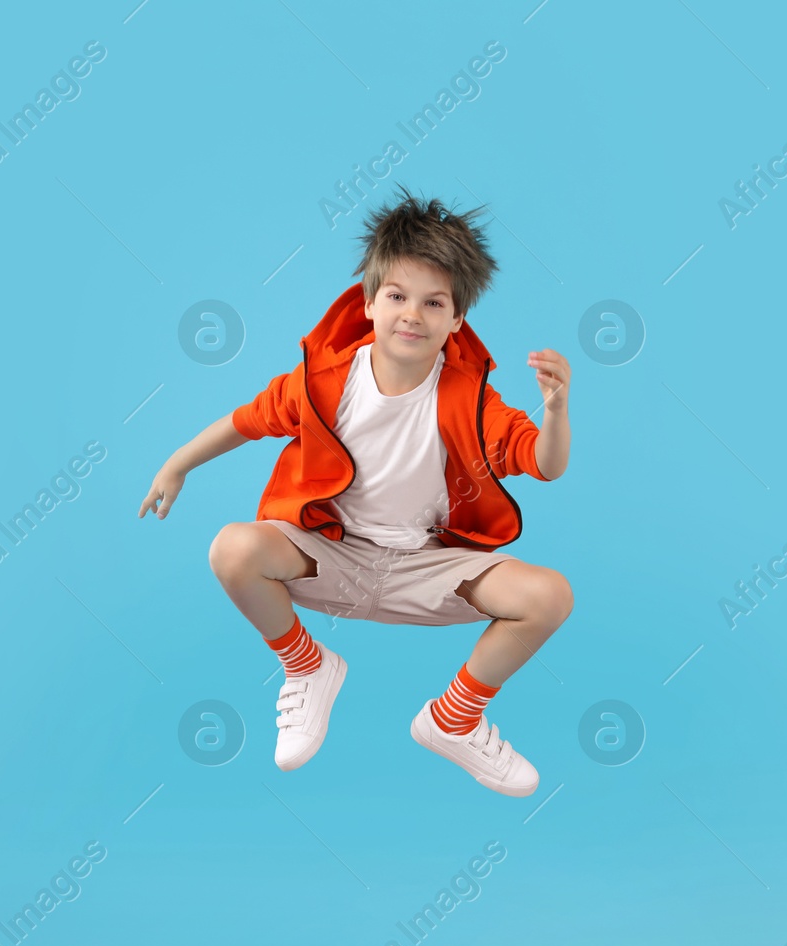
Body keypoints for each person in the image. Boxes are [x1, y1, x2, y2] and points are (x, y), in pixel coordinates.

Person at [139, 185, 572, 797]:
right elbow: (247, 420)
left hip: (427, 566)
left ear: (457, 320)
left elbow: (543, 464)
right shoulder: (325, 382)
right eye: (396, 296)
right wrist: (177, 464)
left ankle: (454, 720)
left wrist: (555, 411)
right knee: (232, 548)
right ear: (369, 302)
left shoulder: (470, 397)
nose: (411, 315)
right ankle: (306, 665)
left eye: (433, 302)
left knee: (550, 595)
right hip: (332, 557)